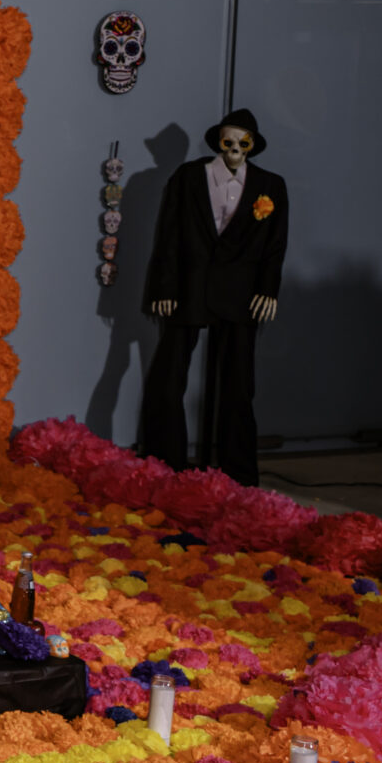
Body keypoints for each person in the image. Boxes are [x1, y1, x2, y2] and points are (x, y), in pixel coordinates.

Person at [139, 108, 288, 485]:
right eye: (228, 141)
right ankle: (164, 464)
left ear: (252, 145)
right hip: (190, 286)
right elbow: (169, 233)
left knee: (238, 384)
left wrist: (267, 289)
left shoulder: (270, 185)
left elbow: (275, 245)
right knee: (168, 377)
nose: (234, 149)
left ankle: (238, 474)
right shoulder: (189, 177)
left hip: (241, 293)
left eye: (242, 142)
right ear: (218, 142)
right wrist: (164, 286)